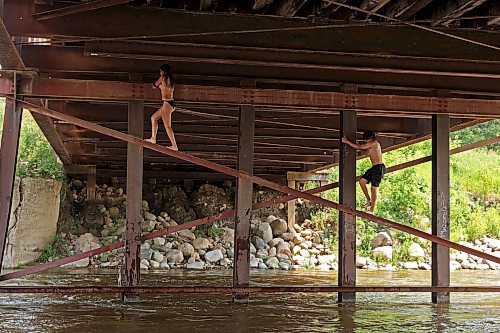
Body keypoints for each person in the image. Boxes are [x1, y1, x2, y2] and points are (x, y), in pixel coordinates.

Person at [342, 131, 385, 214]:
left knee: (374, 188)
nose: (366, 142)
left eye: (367, 140)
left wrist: (347, 142)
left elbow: (360, 147)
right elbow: (366, 153)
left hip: (379, 168)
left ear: (371, 138)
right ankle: (368, 200)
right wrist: (358, 148)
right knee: (362, 181)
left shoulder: (374, 143)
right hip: (374, 168)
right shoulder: (371, 146)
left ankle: (372, 210)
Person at [145, 64, 178, 151]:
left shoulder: (163, 78)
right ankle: (153, 138)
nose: (160, 72)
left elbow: (155, 85)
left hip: (167, 104)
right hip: (170, 103)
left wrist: (156, 85)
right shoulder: (171, 79)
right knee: (153, 118)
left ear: (164, 72)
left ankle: (174, 145)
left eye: (161, 71)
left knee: (167, 126)